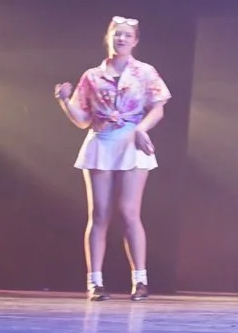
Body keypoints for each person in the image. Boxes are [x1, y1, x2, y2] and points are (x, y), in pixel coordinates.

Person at [52, 15, 169, 302]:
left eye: (127, 35)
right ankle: (95, 282)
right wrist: (64, 100)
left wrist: (141, 129)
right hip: (101, 141)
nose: (121, 39)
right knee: (100, 213)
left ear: (135, 40)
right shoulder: (92, 76)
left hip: (131, 140)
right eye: (117, 34)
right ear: (108, 37)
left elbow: (158, 108)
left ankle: (140, 280)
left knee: (129, 212)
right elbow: (82, 120)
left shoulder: (145, 72)